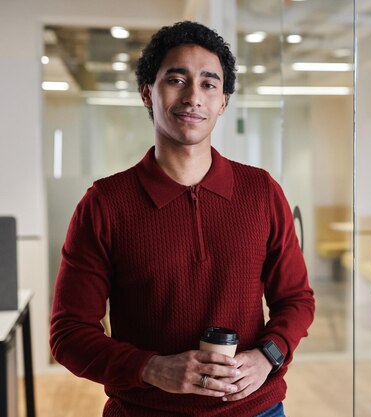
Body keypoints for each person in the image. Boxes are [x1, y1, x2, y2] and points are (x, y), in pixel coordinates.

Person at [49, 21, 315, 417]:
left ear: (223, 102)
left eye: (209, 84)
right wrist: (152, 369)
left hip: (255, 410)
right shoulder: (104, 204)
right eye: (176, 79)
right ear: (147, 93)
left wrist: (267, 356)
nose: (194, 96)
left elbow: (296, 300)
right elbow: (69, 334)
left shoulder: (261, 192)